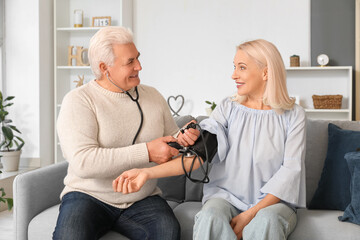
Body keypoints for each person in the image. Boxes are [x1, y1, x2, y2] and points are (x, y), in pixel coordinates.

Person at [113, 39, 307, 240]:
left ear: (266, 73)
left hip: (273, 204)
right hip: (227, 198)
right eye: (234, 67)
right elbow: (198, 157)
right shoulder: (227, 108)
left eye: (242, 67)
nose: (233, 75)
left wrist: (250, 214)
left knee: (266, 221)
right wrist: (146, 172)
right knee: (210, 216)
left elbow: (290, 173)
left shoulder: (294, 116)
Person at [53, 26, 199, 240]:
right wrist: (147, 152)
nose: (139, 66)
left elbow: (172, 142)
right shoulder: (79, 100)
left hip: (142, 197)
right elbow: (83, 162)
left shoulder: (152, 96)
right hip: (88, 196)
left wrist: (184, 139)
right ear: (105, 68)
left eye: (137, 58)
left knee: (168, 233)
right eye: (130, 62)